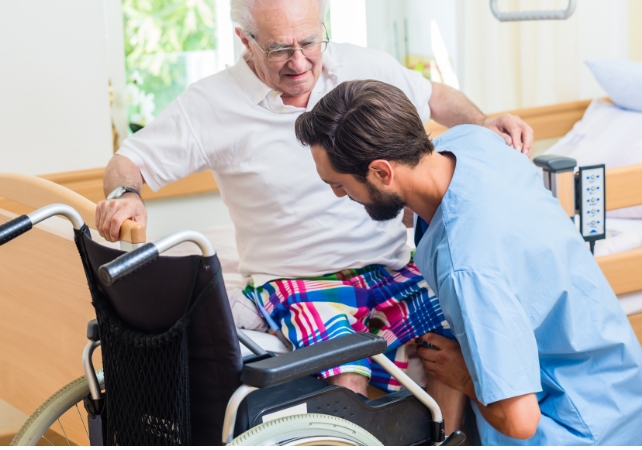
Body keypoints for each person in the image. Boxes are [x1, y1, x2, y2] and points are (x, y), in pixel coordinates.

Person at [96, 0, 531, 432]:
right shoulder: (210, 104)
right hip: (297, 278)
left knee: (449, 335)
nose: (300, 61)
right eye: (279, 49)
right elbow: (128, 160)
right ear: (245, 41)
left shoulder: (361, 66)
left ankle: (445, 441)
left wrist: (484, 122)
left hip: (390, 266)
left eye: (309, 41)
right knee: (348, 367)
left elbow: (433, 96)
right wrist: (125, 193)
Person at [295, 78, 642, 444]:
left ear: (382, 172)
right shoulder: (471, 142)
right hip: (622, 389)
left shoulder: (468, 267)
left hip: (580, 429)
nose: (337, 194)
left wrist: (463, 376)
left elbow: (520, 421)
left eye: (340, 184)